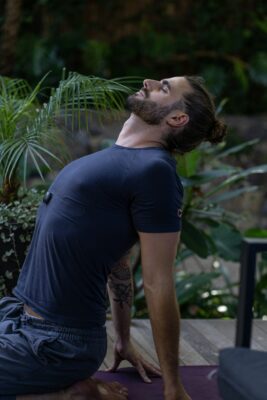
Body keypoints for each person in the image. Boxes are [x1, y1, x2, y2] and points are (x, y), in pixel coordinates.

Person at [0, 76, 226, 400]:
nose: (148, 81)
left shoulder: (156, 172)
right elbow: (118, 256)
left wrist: (174, 387)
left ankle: (67, 394)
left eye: (164, 87)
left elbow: (159, 281)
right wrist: (123, 338)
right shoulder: (117, 161)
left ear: (177, 118)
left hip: (56, 343)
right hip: (17, 317)